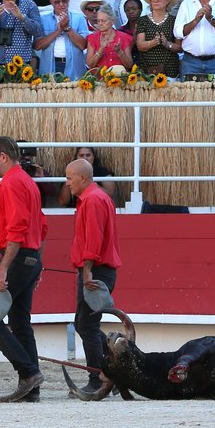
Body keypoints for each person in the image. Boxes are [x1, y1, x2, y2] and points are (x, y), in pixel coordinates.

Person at [0, 136, 47, 403]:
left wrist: (2, 270)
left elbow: (17, 231)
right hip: (30, 257)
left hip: (17, 258)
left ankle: (29, 373)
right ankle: (32, 387)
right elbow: (42, 227)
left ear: (3, 157)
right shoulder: (28, 182)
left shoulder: (10, 183)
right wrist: (37, 262)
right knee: (20, 322)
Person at [62, 156, 120, 397]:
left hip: (95, 271)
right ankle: (113, 368)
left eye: (69, 178)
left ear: (83, 178)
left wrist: (86, 272)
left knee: (86, 325)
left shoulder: (93, 200)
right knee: (85, 324)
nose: (67, 183)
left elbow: (93, 241)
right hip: (97, 269)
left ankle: (98, 378)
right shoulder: (94, 198)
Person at [35, 0, 90, 79]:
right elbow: (37, 46)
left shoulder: (79, 18)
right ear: (51, 2)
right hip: (50, 67)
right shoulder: (43, 19)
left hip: (74, 67)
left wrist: (67, 28)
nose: (61, 4)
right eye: (57, 2)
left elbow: (83, 45)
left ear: (69, 0)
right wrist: (58, 31)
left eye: (64, 1)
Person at [131, 0, 179, 78]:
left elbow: (179, 47)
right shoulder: (142, 20)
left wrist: (166, 43)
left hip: (170, 69)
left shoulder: (175, 20)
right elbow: (140, 46)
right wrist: (154, 42)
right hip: (146, 69)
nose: (156, 0)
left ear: (167, 1)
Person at [84, 3, 132, 72]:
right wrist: (101, 49)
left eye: (103, 21)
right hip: (99, 80)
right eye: (98, 21)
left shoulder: (124, 37)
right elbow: (90, 65)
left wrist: (119, 51)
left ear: (112, 21)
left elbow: (129, 65)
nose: (100, 23)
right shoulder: (92, 38)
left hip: (120, 79)